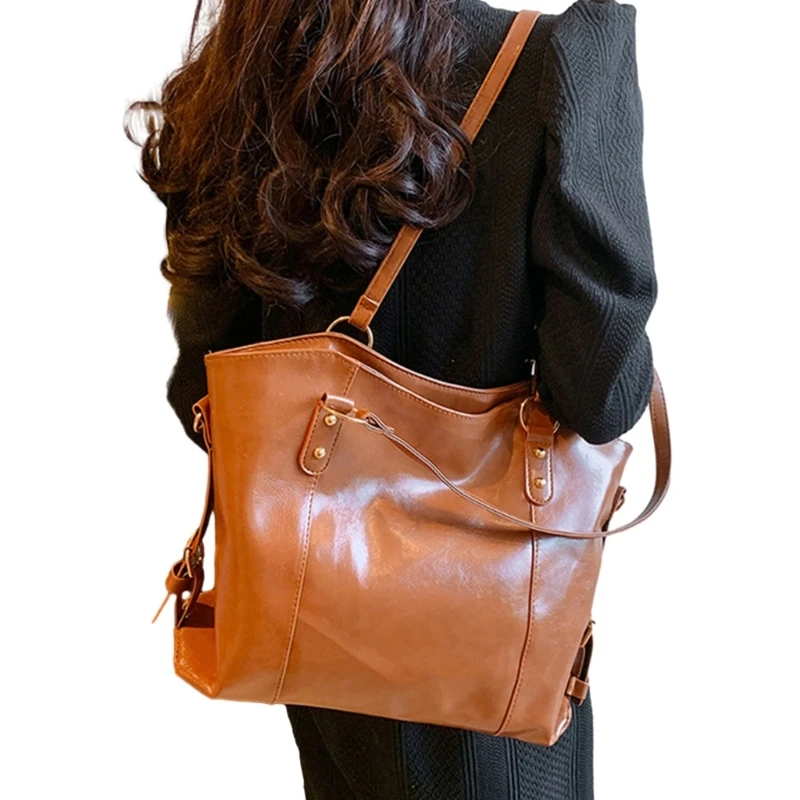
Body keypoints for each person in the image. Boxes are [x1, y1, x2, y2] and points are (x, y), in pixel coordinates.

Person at [126, 0, 658, 796]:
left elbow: (203, 392)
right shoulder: (558, 64)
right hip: (489, 676)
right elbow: (602, 396)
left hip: (316, 648)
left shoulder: (240, 75)